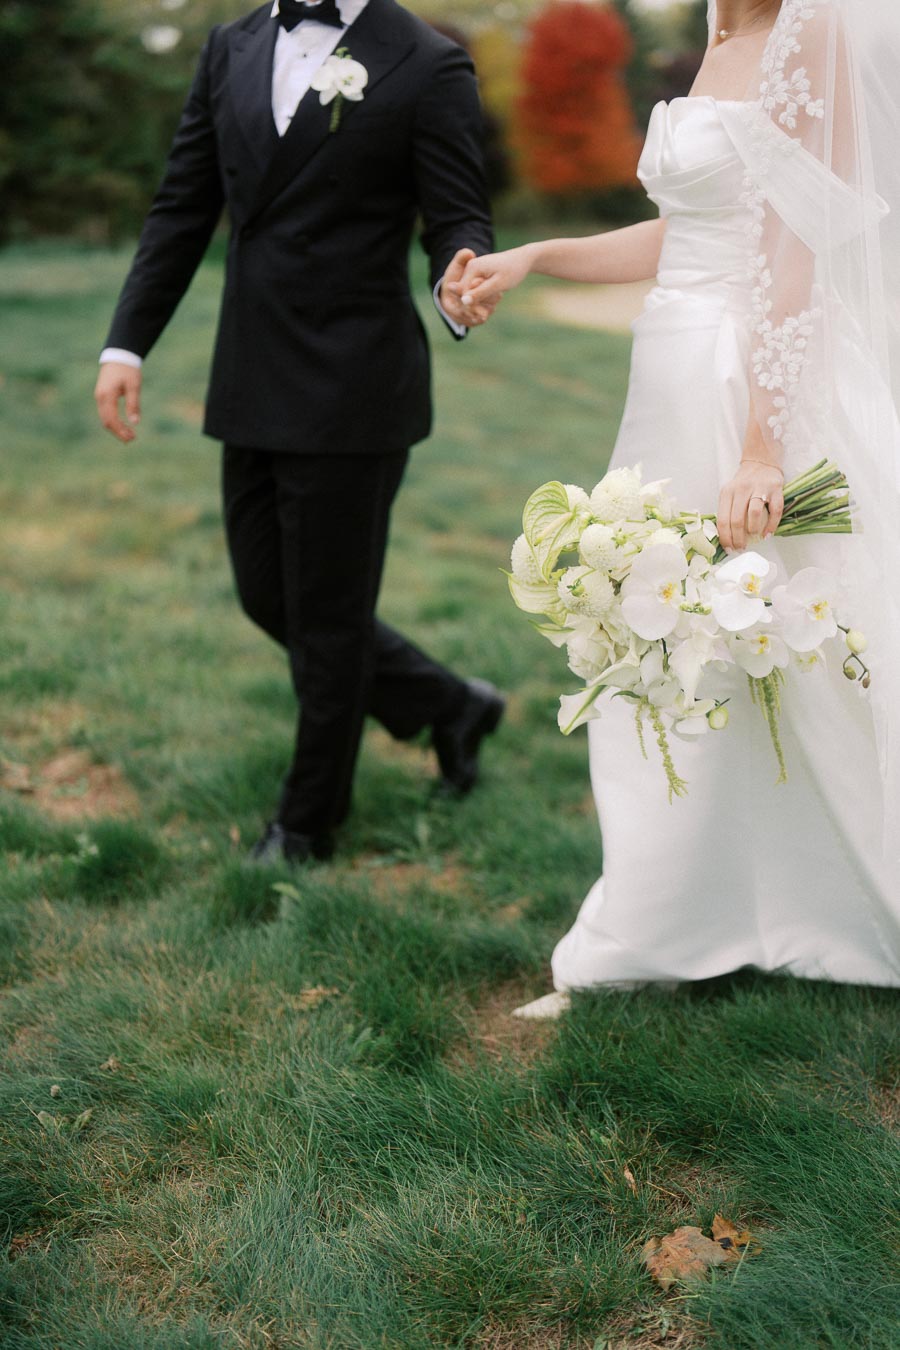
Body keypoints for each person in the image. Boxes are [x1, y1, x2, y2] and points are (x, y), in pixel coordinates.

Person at [452, 0, 900, 1011]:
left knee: (766, 644)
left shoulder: (810, 34)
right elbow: (692, 231)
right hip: (673, 376)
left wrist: (759, 450)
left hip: (743, 389)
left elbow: (796, 262)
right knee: (682, 644)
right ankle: (692, 907)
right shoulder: (723, 35)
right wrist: (536, 257)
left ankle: (806, 903)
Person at [93, 0, 505, 867]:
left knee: (325, 620)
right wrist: (127, 341)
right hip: (249, 368)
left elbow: (457, 218)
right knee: (268, 596)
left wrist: (460, 281)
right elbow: (182, 206)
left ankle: (307, 825)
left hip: (353, 383)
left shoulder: (428, 63)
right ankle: (447, 704)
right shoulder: (230, 46)